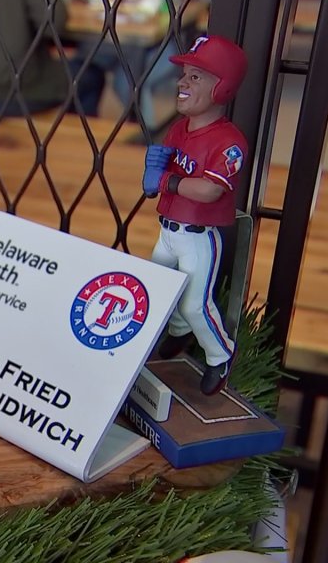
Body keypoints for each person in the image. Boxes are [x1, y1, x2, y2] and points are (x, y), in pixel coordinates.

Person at [141, 34, 247, 396]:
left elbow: (209, 190)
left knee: (194, 302)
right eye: (184, 74)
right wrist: (153, 175)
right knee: (156, 286)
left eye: (196, 76)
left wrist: (167, 181)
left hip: (197, 236)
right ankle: (179, 332)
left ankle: (220, 355)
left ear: (223, 88)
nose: (183, 83)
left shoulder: (228, 142)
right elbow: (162, 174)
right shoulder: (178, 129)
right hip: (168, 230)